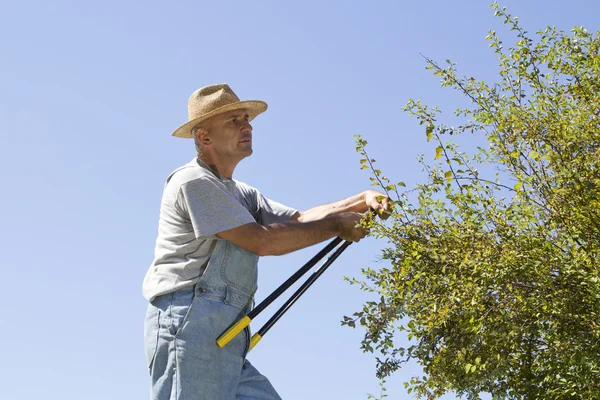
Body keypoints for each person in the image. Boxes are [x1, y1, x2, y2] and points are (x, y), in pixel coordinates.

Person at [143, 84, 390, 400]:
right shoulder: (193, 182)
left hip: (226, 333)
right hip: (190, 325)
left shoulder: (242, 194)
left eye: (247, 119)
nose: (247, 126)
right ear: (204, 137)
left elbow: (299, 220)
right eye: (234, 121)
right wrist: (337, 225)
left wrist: (361, 199)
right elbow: (260, 241)